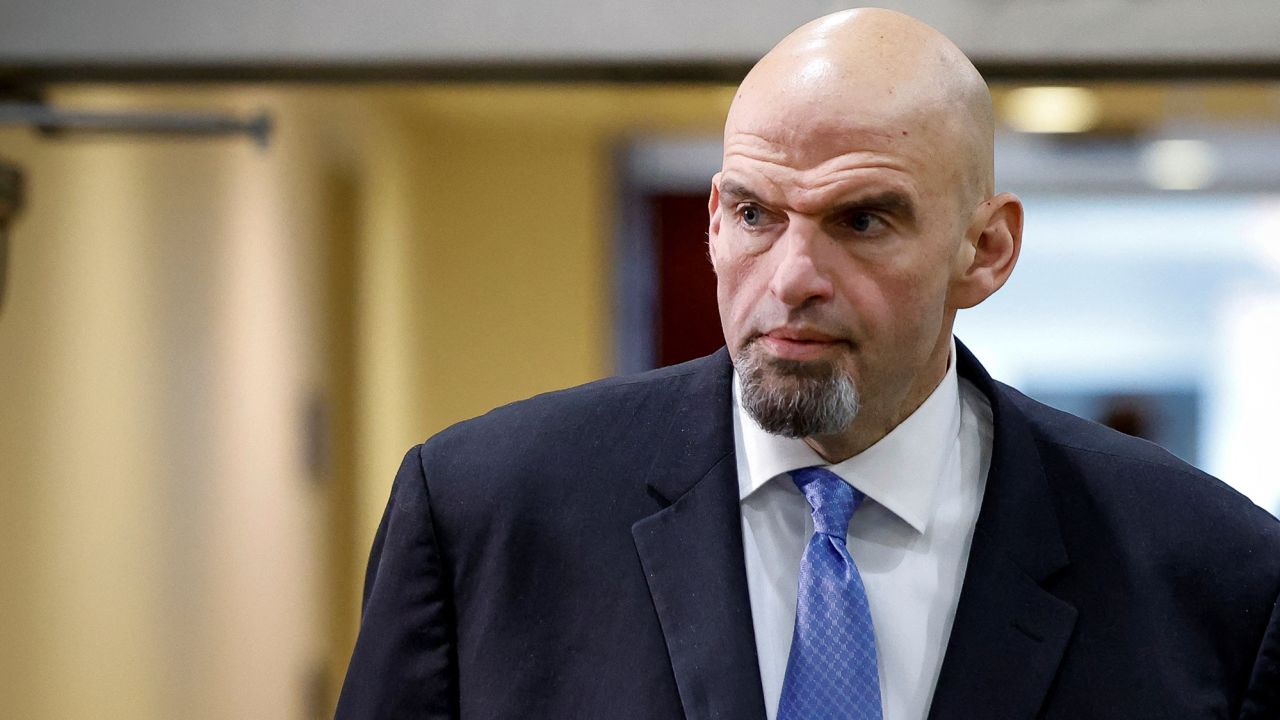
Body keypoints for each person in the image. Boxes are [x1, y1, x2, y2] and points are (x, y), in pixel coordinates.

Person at [336, 9, 1280, 719]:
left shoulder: (1212, 575)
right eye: (755, 214)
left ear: (986, 251)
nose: (791, 279)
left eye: (862, 219)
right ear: (712, 222)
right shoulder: (485, 516)